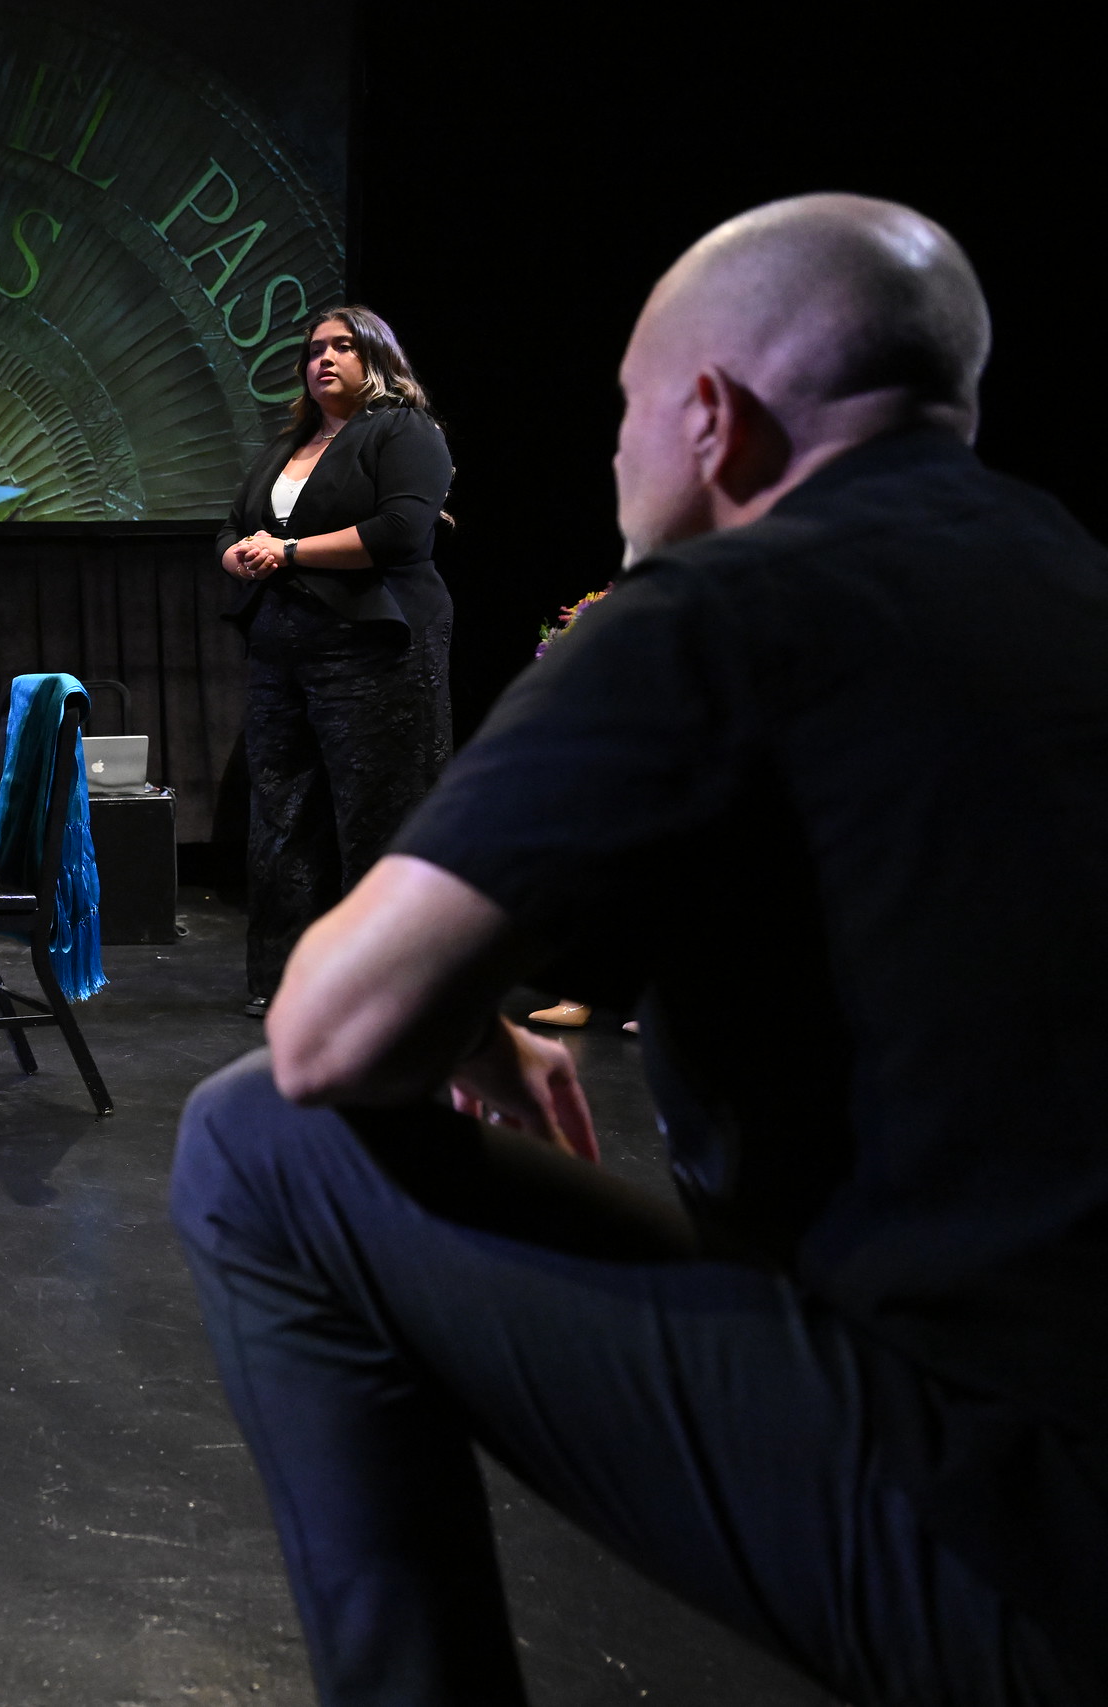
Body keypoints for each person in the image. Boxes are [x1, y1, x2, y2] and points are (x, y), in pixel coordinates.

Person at [170, 196, 1105, 1704]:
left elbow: (331, 1033)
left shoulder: (716, 606)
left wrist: (438, 996)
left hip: (1001, 1530)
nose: (614, 452)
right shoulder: (1059, 577)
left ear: (712, 418)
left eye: (624, 412)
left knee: (257, 1138)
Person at [220, 308, 454, 1018]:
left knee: (376, 813)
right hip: (283, 646)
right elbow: (237, 523)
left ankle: (384, 984)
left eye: (341, 347)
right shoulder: (289, 443)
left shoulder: (402, 431)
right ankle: (288, 980)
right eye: (314, 349)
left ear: (376, 357)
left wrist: (285, 552)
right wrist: (237, 551)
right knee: (284, 814)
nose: (322, 358)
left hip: (374, 646)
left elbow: (400, 532)